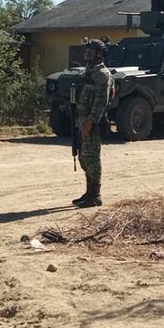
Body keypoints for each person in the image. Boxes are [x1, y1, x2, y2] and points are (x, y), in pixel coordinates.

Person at [72, 39, 112, 208]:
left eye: (91, 51)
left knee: (92, 158)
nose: (87, 54)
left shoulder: (102, 74)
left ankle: (95, 195)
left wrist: (91, 121)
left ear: (100, 54)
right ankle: (89, 192)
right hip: (82, 120)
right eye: (86, 51)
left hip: (92, 122)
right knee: (83, 157)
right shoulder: (88, 72)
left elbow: (102, 101)